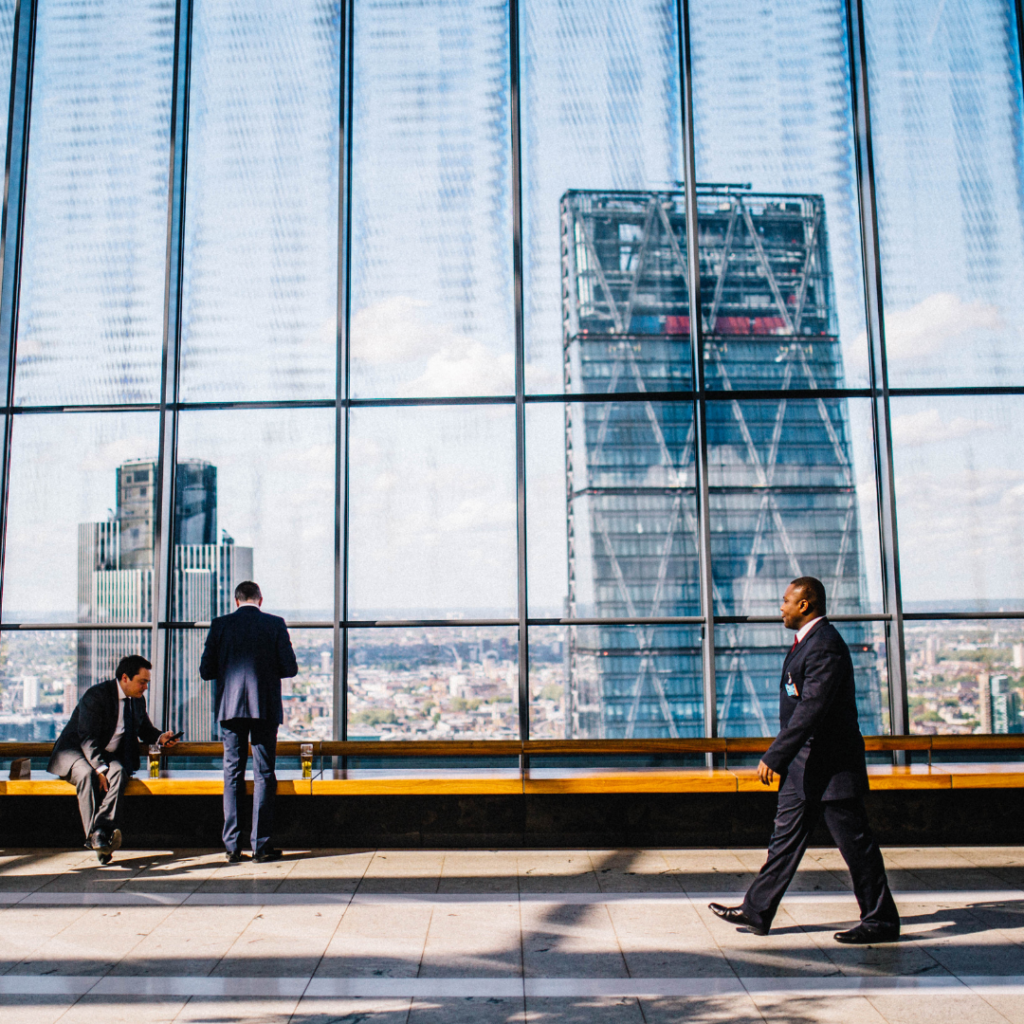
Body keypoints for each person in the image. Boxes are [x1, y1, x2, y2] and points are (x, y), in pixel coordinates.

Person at [709, 576, 901, 944]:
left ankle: (881, 920)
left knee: (856, 846)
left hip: (830, 768)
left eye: (785, 601)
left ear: (805, 605)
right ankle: (756, 909)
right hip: (804, 767)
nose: (780, 607)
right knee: (784, 840)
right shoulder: (808, 643)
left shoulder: (825, 646)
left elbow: (812, 708)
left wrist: (776, 754)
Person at [200, 580, 298, 863]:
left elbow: (206, 671)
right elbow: (289, 668)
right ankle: (261, 846)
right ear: (260, 600)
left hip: (230, 709)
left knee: (232, 773)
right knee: (264, 773)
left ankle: (231, 847)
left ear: (236, 600)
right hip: (264, 707)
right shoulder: (275, 624)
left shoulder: (219, 625)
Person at [49, 655, 179, 864]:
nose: (145, 687)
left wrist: (160, 737)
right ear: (125, 678)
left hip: (103, 754)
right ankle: (99, 836)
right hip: (74, 751)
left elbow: (144, 728)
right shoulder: (97, 696)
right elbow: (87, 738)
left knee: (119, 772)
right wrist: (100, 769)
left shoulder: (137, 700)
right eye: (142, 681)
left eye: (147, 682)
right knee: (87, 774)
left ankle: (100, 833)